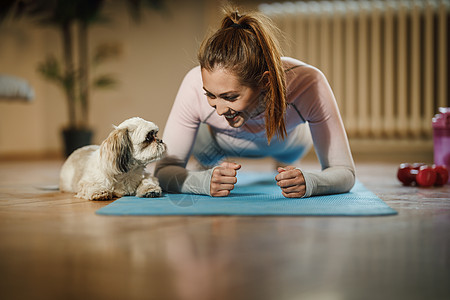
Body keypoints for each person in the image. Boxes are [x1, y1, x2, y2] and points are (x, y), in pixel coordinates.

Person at [154, 8, 355, 198]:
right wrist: (201, 182)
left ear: (265, 81)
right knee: (204, 162)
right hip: (215, 145)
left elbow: (345, 172)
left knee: (288, 169)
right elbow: (163, 171)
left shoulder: (309, 83)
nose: (220, 110)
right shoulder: (193, 83)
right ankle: (208, 167)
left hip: (288, 146)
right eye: (210, 95)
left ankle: (286, 165)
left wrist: (310, 182)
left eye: (231, 97)